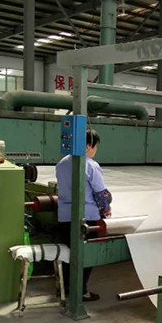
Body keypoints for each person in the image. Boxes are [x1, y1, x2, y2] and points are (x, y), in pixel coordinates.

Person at [56, 129, 112, 301]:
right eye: (95, 146)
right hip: (86, 219)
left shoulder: (62, 163)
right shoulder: (90, 165)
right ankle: (80, 292)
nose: (96, 150)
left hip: (64, 217)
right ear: (88, 145)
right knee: (86, 256)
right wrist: (106, 209)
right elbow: (101, 194)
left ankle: (65, 288)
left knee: (68, 255)